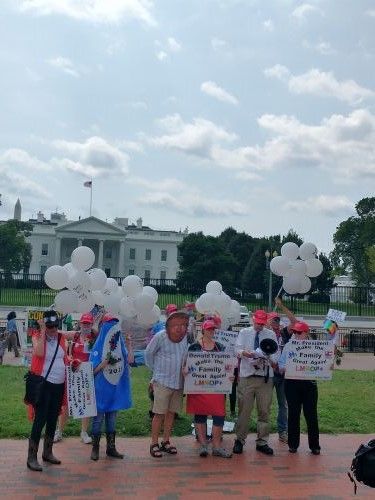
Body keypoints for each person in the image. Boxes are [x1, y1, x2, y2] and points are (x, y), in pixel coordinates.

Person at [233, 309, 279, 456]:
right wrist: (244, 353)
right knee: (244, 410)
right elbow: (236, 349)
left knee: (264, 411)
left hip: (265, 378)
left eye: (262, 323)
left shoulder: (270, 334)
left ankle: (262, 441)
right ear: (253, 319)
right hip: (247, 376)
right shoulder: (244, 332)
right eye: (257, 322)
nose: (259, 325)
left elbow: (276, 354)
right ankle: (240, 440)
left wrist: (269, 359)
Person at [26, 310, 67, 472]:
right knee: (40, 419)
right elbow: (39, 353)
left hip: (59, 385)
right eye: (49, 326)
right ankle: (31, 457)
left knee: (52, 419)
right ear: (44, 325)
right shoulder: (37, 336)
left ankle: (47, 452)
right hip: (44, 386)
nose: (53, 330)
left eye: (55, 326)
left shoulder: (60, 337)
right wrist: (42, 331)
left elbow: (65, 354)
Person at [145, 310, 189, 458]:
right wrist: (155, 374)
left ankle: (166, 441)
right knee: (159, 414)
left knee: (171, 413)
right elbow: (148, 355)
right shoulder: (160, 337)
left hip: (178, 382)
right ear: (169, 324)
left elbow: (185, 355)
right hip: (162, 381)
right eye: (176, 324)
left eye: (182, 324)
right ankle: (154, 443)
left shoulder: (184, 338)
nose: (179, 327)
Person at [186, 319, 232, 458]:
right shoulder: (194, 347)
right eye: (209, 329)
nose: (212, 331)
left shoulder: (220, 347)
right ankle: (203, 445)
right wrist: (185, 371)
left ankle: (217, 447)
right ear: (203, 330)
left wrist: (230, 376)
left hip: (216, 388)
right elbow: (188, 365)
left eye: (213, 329)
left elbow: (227, 366)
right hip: (199, 387)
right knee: (200, 415)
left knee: (219, 415)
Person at [89, 315, 132, 461]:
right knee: (98, 420)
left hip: (114, 389)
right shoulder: (98, 346)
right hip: (101, 389)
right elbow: (91, 370)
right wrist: (103, 364)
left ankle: (111, 448)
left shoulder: (120, 344)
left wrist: (129, 344)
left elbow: (129, 360)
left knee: (112, 419)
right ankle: (95, 448)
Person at [278, 321, 321, 455]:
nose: (296, 334)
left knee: (311, 414)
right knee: (293, 414)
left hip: (309, 384)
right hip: (292, 384)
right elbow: (281, 363)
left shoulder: (315, 347)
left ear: (306, 333)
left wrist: (327, 367)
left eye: (299, 332)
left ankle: (314, 446)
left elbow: (323, 362)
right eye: (294, 332)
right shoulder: (288, 346)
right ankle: (293, 444)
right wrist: (283, 368)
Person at [54, 312, 98, 444]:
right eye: (84, 323)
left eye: (88, 323)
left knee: (87, 402)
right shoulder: (75, 335)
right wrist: (47, 327)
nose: (86, 326)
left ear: (91, 324)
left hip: (88, 375)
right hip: (73, 374)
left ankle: (84, 432)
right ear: (80, 323)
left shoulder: (96, 337)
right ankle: (59, 431)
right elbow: (59, 333)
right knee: (65, 404)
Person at [267, 298, 298, 444]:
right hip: (268, 373)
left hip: (282, 374)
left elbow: (294, 322)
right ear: (267, 322)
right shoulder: (265, 335)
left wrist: (281, 306)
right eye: (273, 321)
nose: (276, 323)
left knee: (283, 404)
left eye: (277, 321)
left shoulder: (284, 333)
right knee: (265, 403)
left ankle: (282, 431)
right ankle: (263, 433)